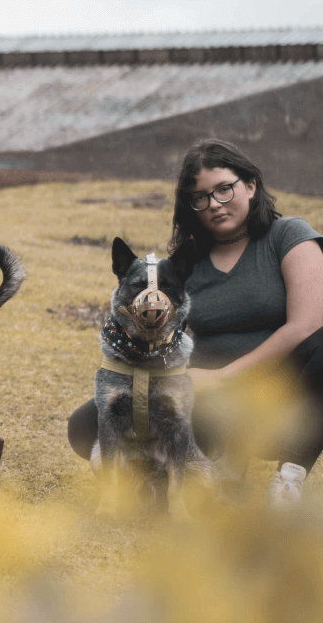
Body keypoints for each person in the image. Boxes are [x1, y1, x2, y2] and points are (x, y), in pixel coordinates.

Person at [68, 139, 323, 508]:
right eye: (200, 198)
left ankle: (288, 479)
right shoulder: (185, 264)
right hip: (205, 397)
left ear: (250, 185)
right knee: (85, 425)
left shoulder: (288, 236)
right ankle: (171, 478)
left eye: (224, 189)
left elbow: (308, 324)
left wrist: (226, 375)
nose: (214, 205)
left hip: (283, 394)